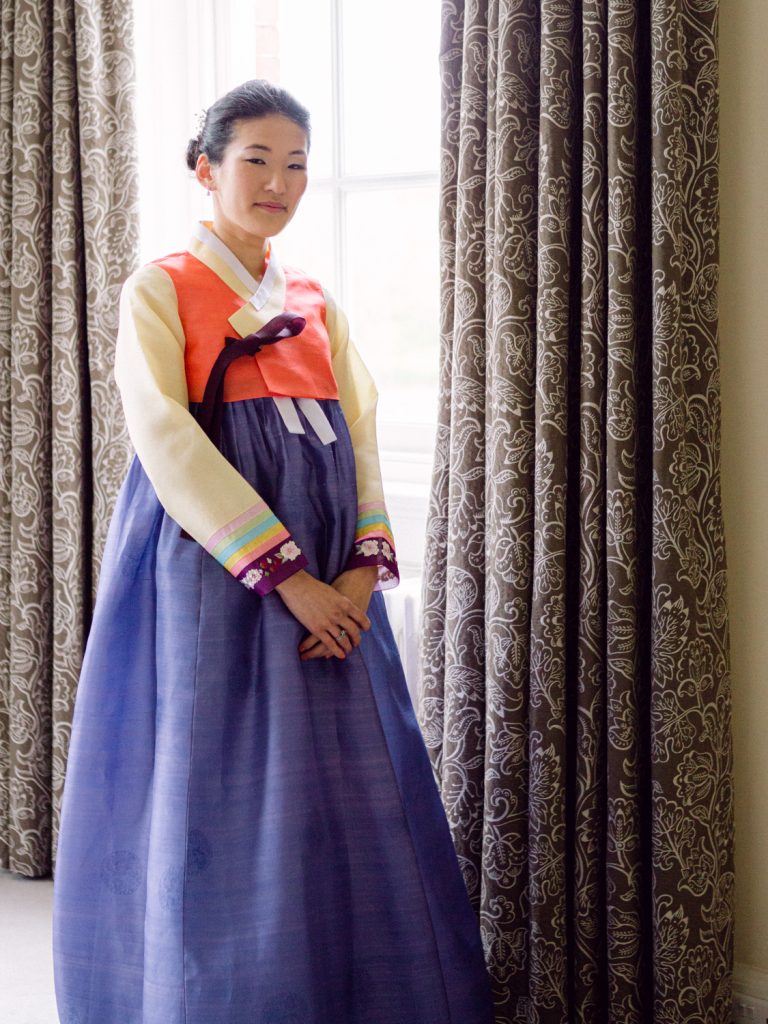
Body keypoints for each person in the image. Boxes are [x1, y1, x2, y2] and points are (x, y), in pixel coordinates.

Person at [52, 79, 495, 1024]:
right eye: (255, 159)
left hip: (333, 573)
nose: (278, 181)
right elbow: (166, 440)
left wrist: (358, 571)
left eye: (296, 163)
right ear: (206, 168)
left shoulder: (314, 300)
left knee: (342, 784)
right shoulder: (160, 289)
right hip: (219, 570)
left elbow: (360, 429)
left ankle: (350, 983)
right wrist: (288, 578)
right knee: (222, 787)